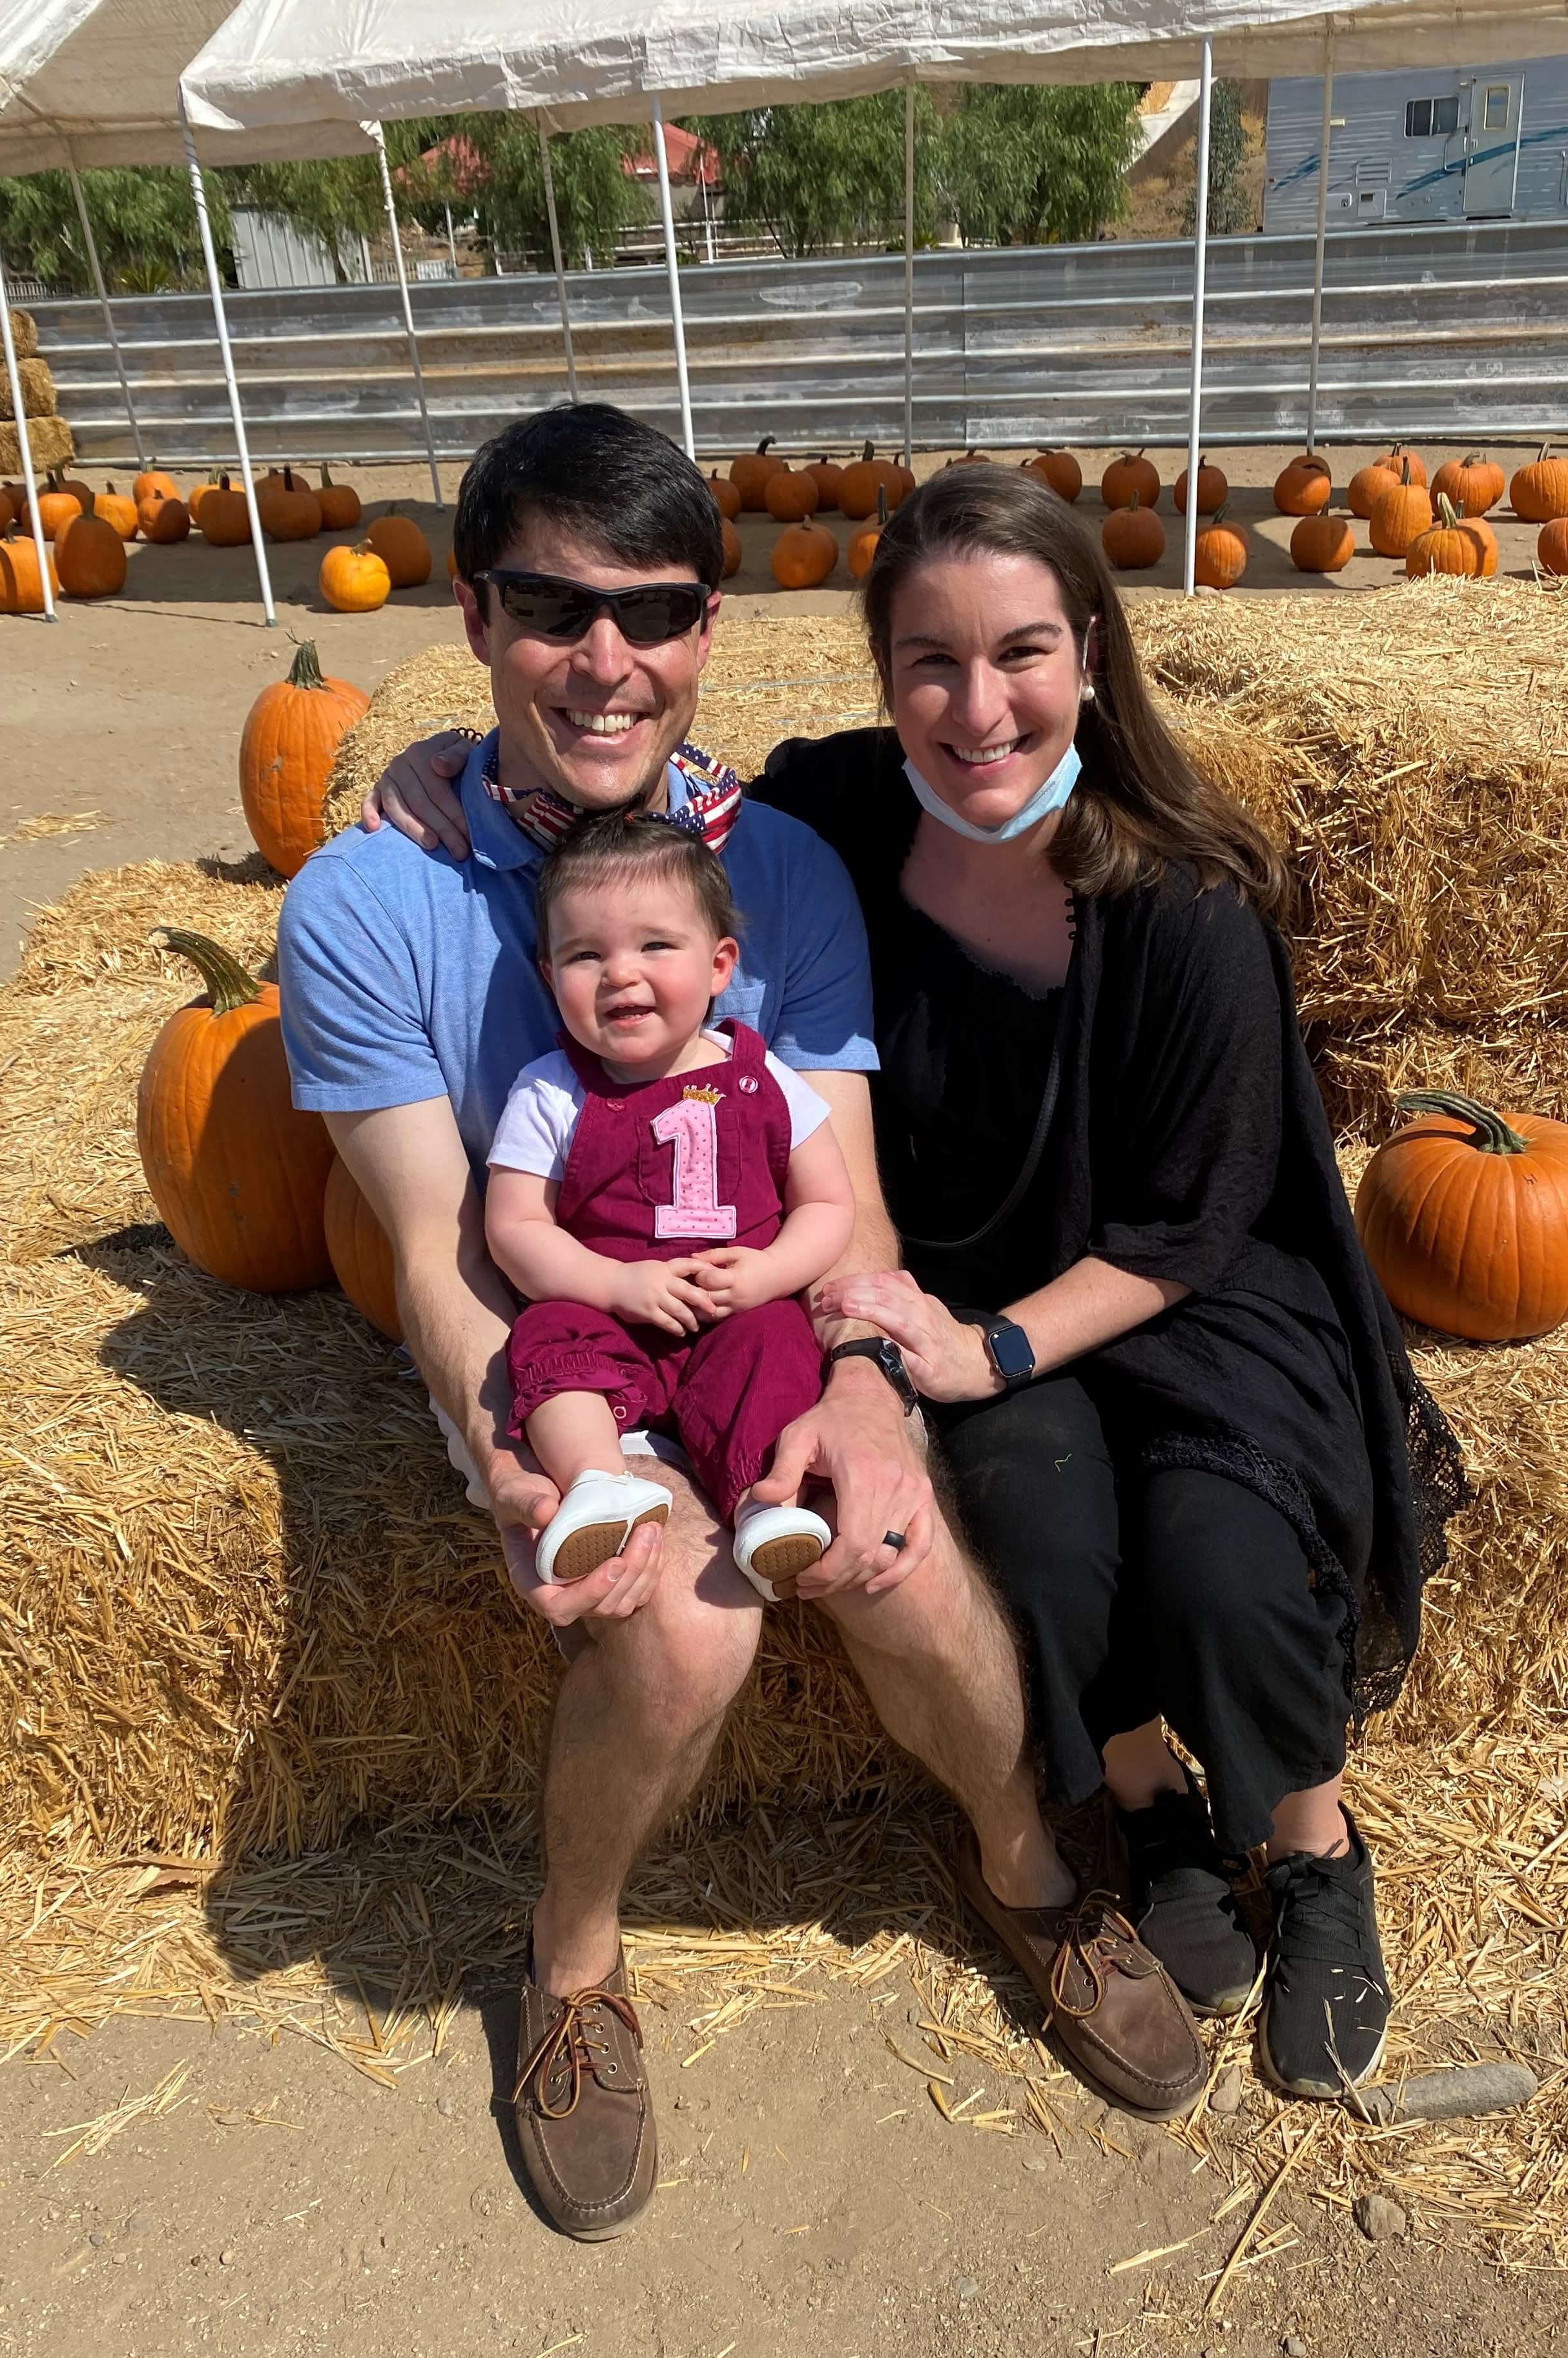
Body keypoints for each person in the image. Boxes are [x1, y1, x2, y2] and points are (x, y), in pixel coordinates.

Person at [371, 451, 1467, 2136]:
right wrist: (436, 761)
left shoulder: (1187, 893)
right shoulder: (843, 821)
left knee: (1222, 1560)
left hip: (1182, 1286)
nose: (979, 705)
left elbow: (1194, 1227)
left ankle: (1311, 1853)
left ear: (1092, 654)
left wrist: (978, 1344)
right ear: (883, 685)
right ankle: (1145, 1801)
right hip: (966, 1284)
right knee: (1028, 1532)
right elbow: (628, 800)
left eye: (1023, 652)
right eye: (931, 665)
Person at [286, 404, 1207, 2249]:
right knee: (684, 1634)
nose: (606, 659)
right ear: (473, 616)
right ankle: (571, 1968)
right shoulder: (363, 897)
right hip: (553, 1335)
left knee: (891, 1542)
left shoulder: (775, 870)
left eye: (655, 611)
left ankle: (1026, 1870)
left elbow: (841, 1189)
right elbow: (429, 1247)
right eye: (553, 607)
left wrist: (869, 1380)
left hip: (760, 1308)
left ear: (713, 631)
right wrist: (525, 1452)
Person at [484, 811, 854, 1597]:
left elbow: (828, 1203)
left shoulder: (762, 1077)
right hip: (609, 1314)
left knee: (777, 1344)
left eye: (656, 945)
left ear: (720, 964)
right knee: (546, 1337)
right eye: (587, 954)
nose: (621, 973)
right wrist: (613, 1285)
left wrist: (768, 1274)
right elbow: (514, 1226)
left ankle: (765, 1505)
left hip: (734, 1312)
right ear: (550, 976)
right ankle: (595, 1483)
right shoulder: (550, 1090)